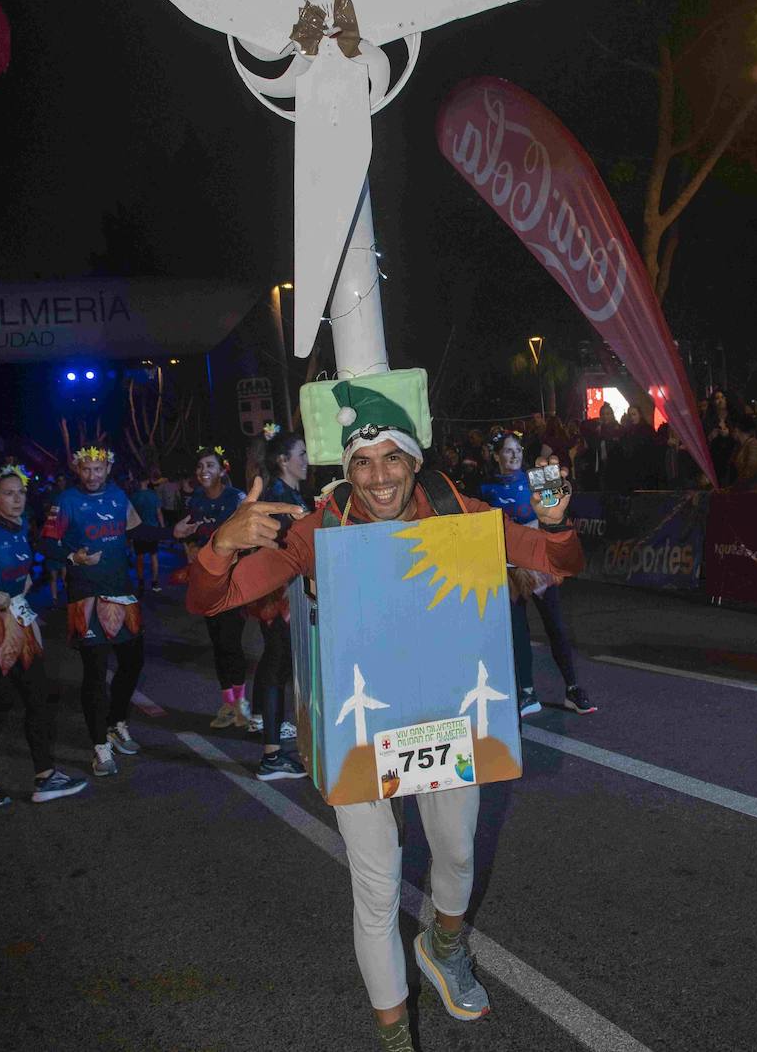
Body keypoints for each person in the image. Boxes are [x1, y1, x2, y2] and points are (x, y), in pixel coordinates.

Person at [187, 390, 583, 1051]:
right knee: (375, 889)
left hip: (443, 715)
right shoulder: (319, 529)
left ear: (414, 461)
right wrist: (221, 545)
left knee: (457, 852)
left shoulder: (457, 510)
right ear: (346, 471)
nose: (378, 477)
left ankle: (444, 944)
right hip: (359, 730)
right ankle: (395, 1037)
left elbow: (556, 561)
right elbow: (211, 599)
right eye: (362, 462)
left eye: (391, 458)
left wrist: (553, 524)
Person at [39, 446, 191, 777]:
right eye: (86, 469)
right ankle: (100, 747)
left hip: (121, 593)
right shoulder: (66, 501)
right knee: (94, 673)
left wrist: (172, 532)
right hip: (85, 597)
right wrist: (74, 557)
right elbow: (47, 543)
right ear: (77, 469)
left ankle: (116, 723)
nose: (92, 475)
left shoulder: (118, 496)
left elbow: (136, 531)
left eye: (98, 469)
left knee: (133, 662)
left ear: (108, 468)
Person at [0, 465, 87, 808]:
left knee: (39, 697)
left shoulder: (21, 528)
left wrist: (24, 586)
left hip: (18, 622)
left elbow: (23, 571)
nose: (17, 499)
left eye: (21, 492)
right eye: (8, 493)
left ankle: (45, 776)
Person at [480, 429, 593, 717]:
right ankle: (527, 693)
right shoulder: (485, 489)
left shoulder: (538, 479)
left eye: (518, 449)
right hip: (509, 570)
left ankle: (573, 689)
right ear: (496, 456)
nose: (515, 455)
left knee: (556, 626)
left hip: (539, 567)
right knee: (519, 632)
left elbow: (557, 519)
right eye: (508, 450)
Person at [245, 428, 309, 779]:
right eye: (301, 454)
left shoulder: (292, 494)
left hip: (287, 594)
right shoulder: (277, 497)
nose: (307, 461)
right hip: (278, 596)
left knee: (279, 666)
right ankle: (271, 755)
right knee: (276, 664)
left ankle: (272, 738)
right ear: (283, 460)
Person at [184, 446, 251, 727]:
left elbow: (249, 535)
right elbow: (189, 535)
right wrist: (189, 547)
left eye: (210, 465)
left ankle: (241, 704)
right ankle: (227, 704)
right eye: (200, 466)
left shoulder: (236, 498)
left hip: (233, 582)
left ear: (222, 469)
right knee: (217, 643)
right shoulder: (195, 501)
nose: (204, 471)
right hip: (206, 582)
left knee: (230, 642)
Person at [130, 474, 163, 593]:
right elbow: (159, 513)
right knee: (154, 556)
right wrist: (162, 528)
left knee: (140, 557)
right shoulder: (153, 495)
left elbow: (131, 516)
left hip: (139, 530)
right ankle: (154, 582)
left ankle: (141, 582)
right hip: (152, 529)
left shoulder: (134, 496)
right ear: (148, 481)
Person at [728, 417, 757, 491]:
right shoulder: (741, 446)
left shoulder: (753, 444)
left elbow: (751, 469)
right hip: (746, 487)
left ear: (737, 430)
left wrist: (737, 485)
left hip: (752, 489)